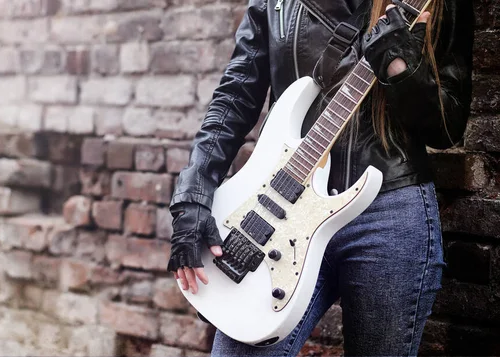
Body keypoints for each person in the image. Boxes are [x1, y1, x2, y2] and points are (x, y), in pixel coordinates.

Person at [165, 0, 473, 355]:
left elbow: (447, 128)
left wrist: (399, 64)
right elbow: (236, 95)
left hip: (388, 213)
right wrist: (194, 190)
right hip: (280, 209)